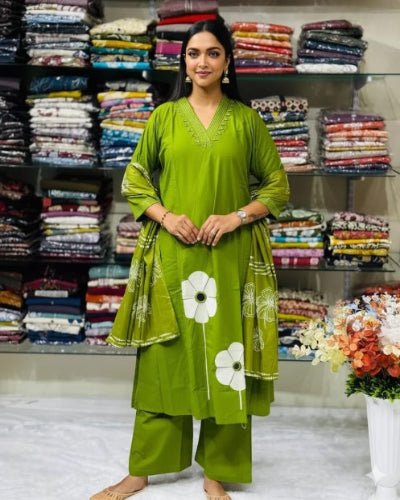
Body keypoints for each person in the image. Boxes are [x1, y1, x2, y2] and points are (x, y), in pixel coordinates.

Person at [91, 18, 289, 500]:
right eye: (194, 53)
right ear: (183, 62)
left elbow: (277, 187)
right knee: (165, 359)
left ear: (227, 61)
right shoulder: (163, 118)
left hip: (228, 258)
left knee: (228, 358)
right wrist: (166, 215)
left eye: (213, 53)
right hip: (173, 257)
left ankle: (217, 471)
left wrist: (236, 217)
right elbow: (136, 180)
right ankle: (142, 470)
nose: (202, 62)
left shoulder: (246, 121)